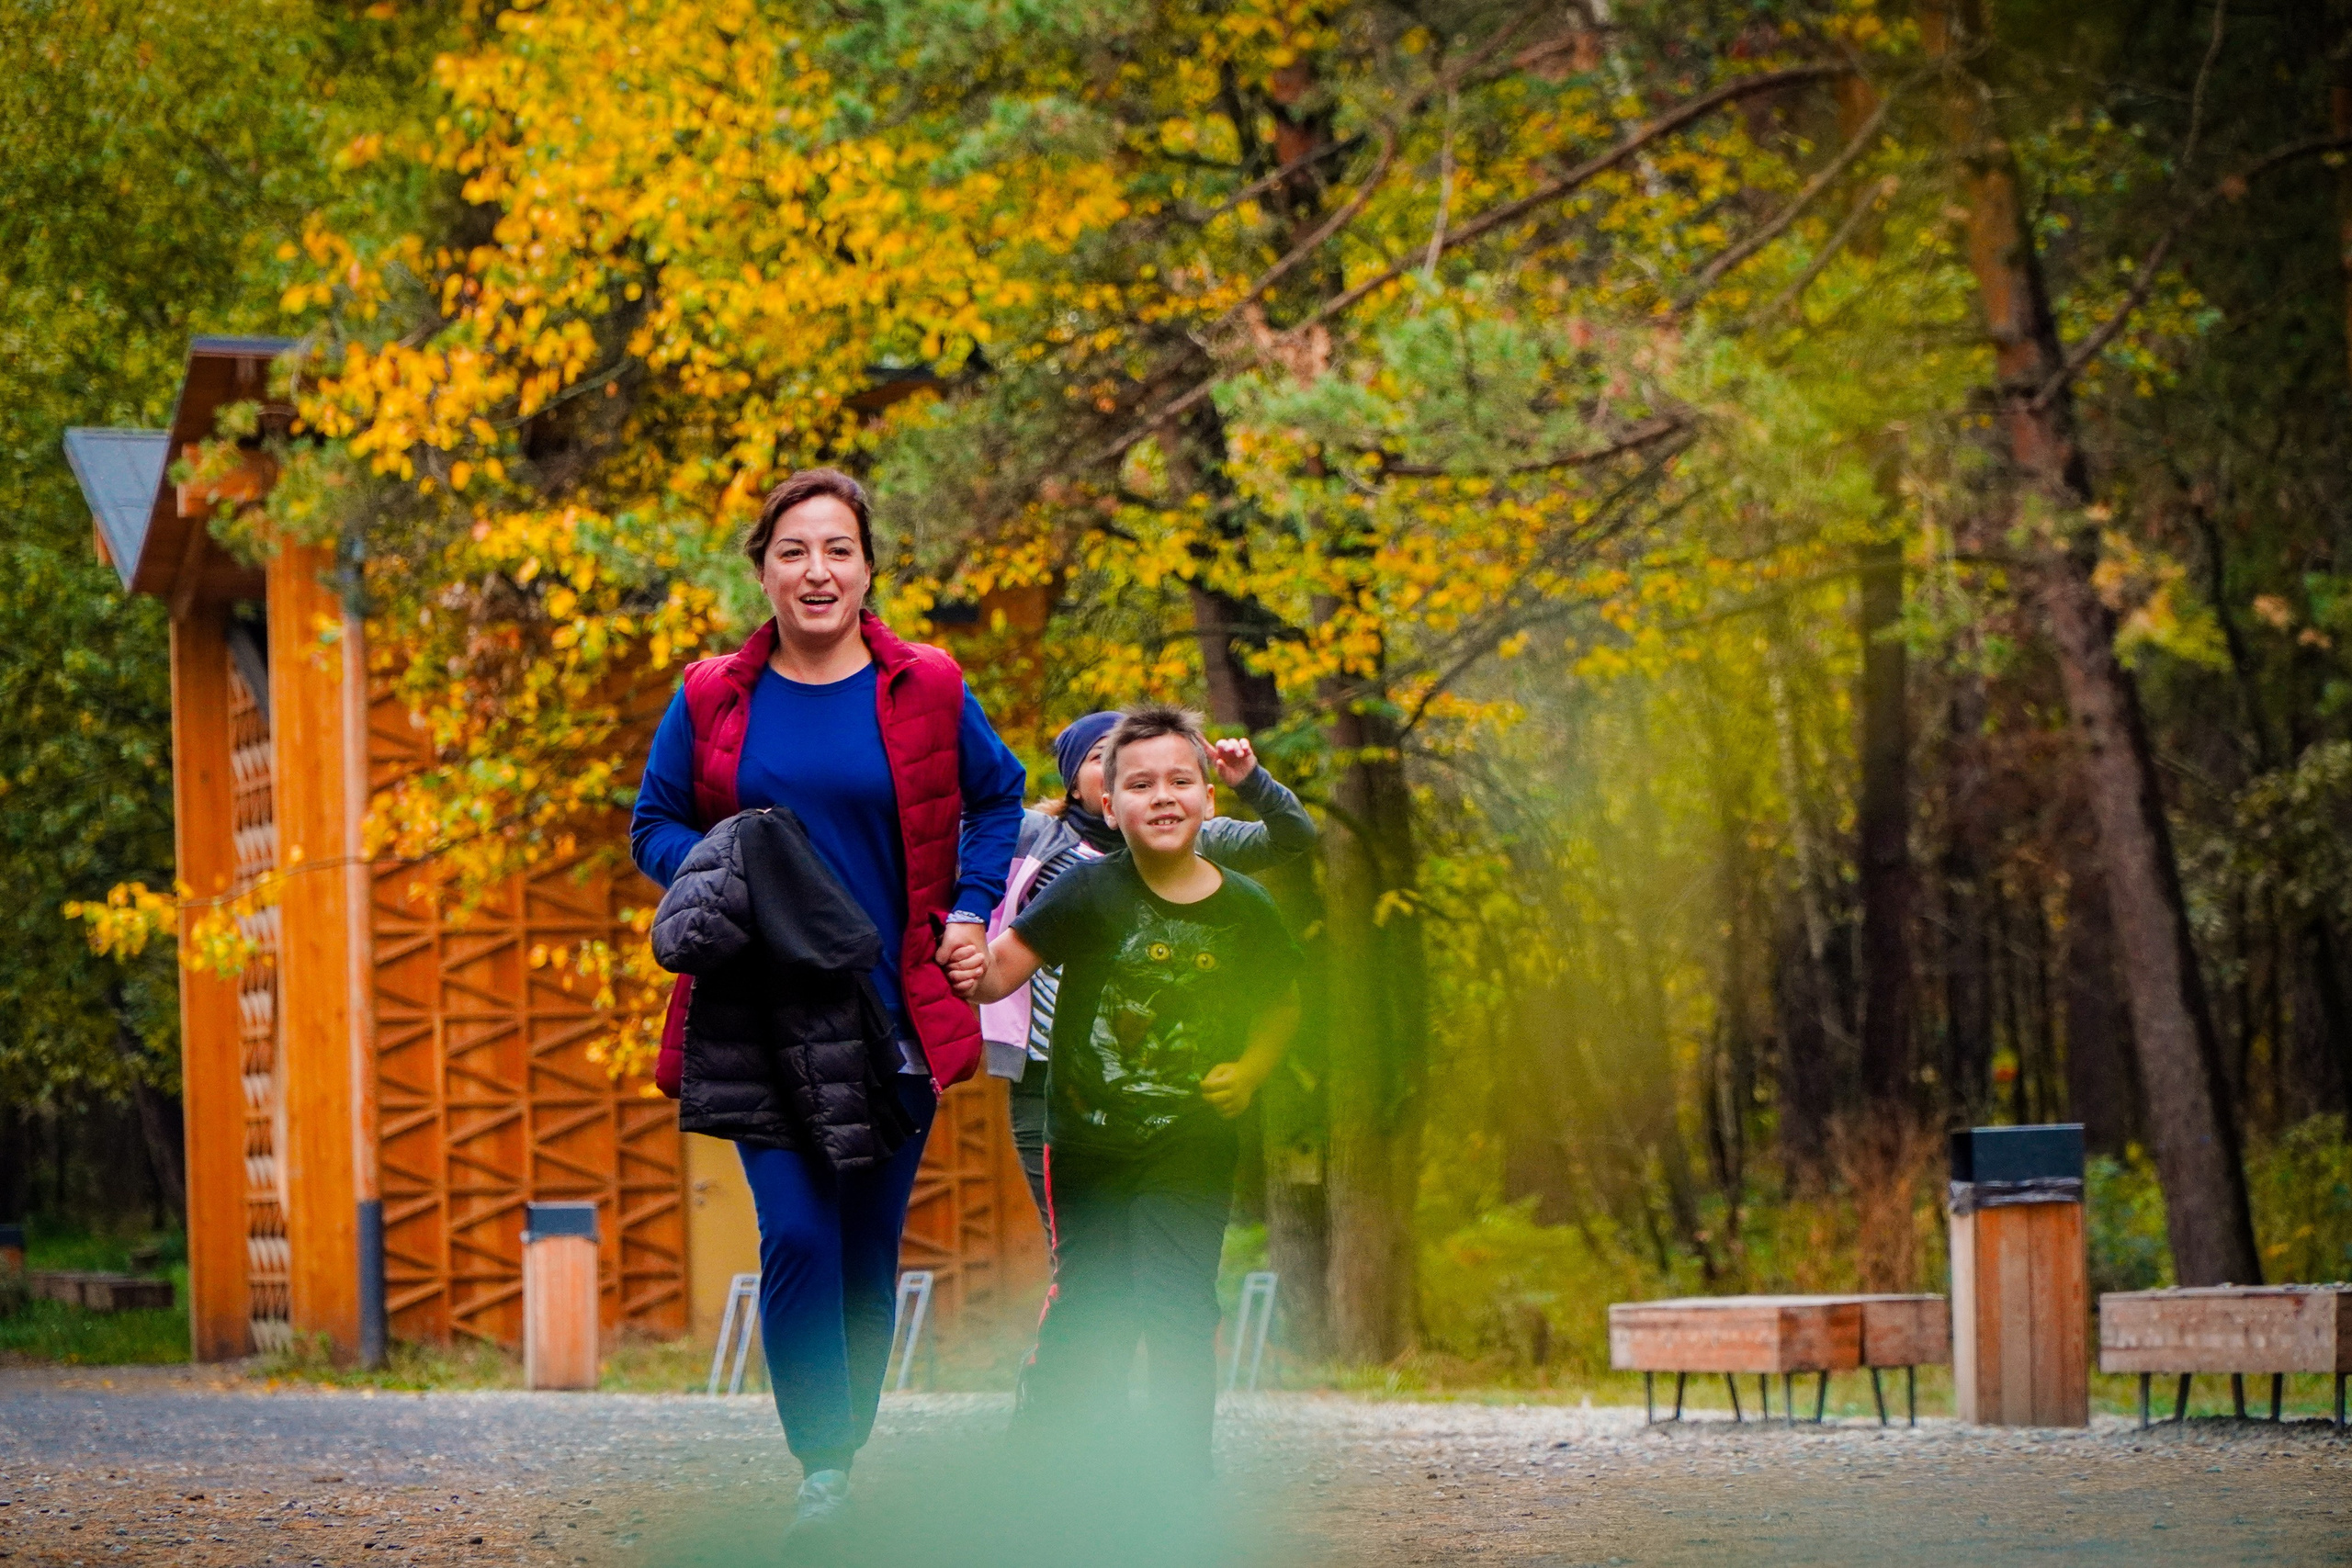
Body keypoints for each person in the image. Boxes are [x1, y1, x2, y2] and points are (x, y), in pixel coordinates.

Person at [631, 468, 1024, 1540]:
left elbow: (996, 797)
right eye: (793, 551)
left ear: (866, 568)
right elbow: (653, 824)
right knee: (795, 1233)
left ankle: (842, 1458)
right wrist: (722, 871)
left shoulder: (928, 685)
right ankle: (822, 1470)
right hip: (756, 1018)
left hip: (887, 1013)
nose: (817, 571)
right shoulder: (713, 693)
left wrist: (968, 909)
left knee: (864, 1245)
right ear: (762, 571)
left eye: (837, 550)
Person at [952, 705, 1302, 1477]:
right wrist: (966, 957)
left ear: (1211, 797)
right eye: (1140, 783)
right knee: (1088, 1308)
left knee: (1181, 1309)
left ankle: (1182, 1483)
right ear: (1109, 805)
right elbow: (1004, 967)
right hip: (1084, 1143)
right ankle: (1049, 1470)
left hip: (1194, 1143)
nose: (1164, 795)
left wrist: (1248, 1071)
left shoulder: (1246, 905)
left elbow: (1283, 1003)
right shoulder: (1085, 891)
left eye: (1182, 779)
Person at [980, 711, 1316, 1220]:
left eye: (1178, 779)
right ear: (1082, 786)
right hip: (1052, 1077)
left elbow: (1292, 837)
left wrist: (1251, 781)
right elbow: (969, 824)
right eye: (1102, 757)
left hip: (1174, 1088)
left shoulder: (1195, 843)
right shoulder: (1039, 842)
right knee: (1078, 1253)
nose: (1161, 793)